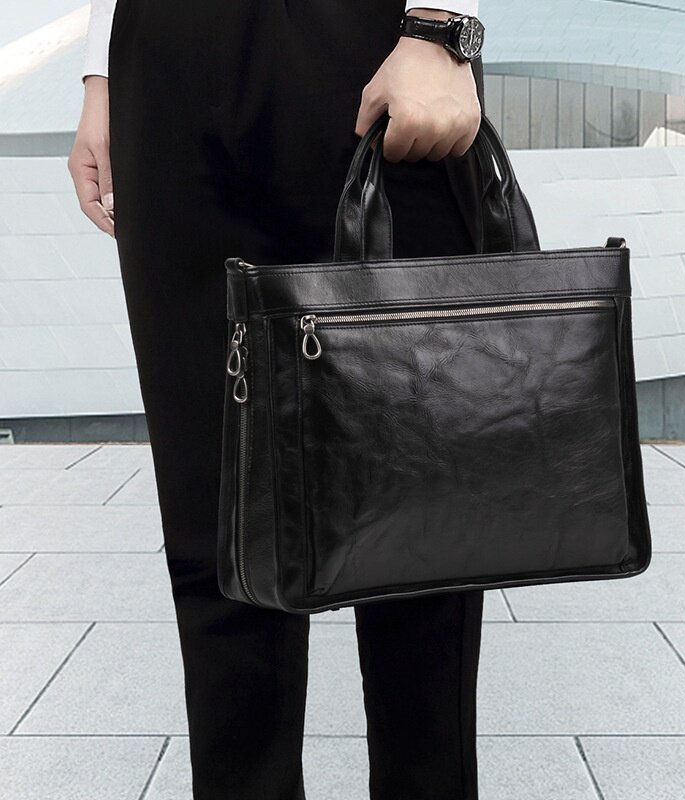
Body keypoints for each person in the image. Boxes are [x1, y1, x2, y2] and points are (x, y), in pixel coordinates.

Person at [68, 2, 487, 798]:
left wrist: (443, 22)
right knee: (216, 534)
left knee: (422, 536)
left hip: (370, 41)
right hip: (165, 52)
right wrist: (102, 73)